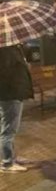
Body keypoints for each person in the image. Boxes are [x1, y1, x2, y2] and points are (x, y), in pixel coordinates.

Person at [0, 44, 33, 173]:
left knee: (7, 128)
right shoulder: (5, 50)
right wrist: (22, 67)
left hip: (11, 93)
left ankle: (10, 157)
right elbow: (6, 73)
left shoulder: (11, 48)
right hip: (10, 94)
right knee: (8, 130)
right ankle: (7, 163)